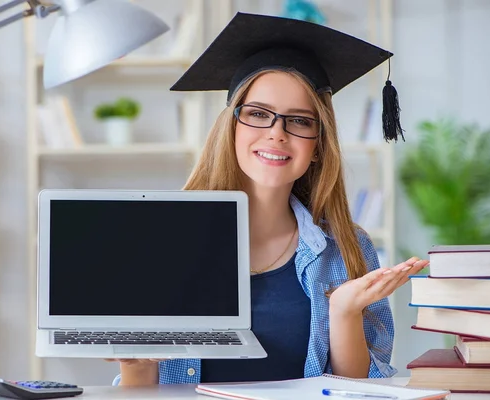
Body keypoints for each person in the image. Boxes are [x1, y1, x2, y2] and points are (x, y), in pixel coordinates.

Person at [108, 12, 425, 386]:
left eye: (300, 121)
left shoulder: (348, 249)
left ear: (319, 145)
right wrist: (135, 363)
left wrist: (342, 312)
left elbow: (357, 390)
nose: (277, 133)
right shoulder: (164, 241)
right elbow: (144, 388)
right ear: (232, 129)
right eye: (258, 114)